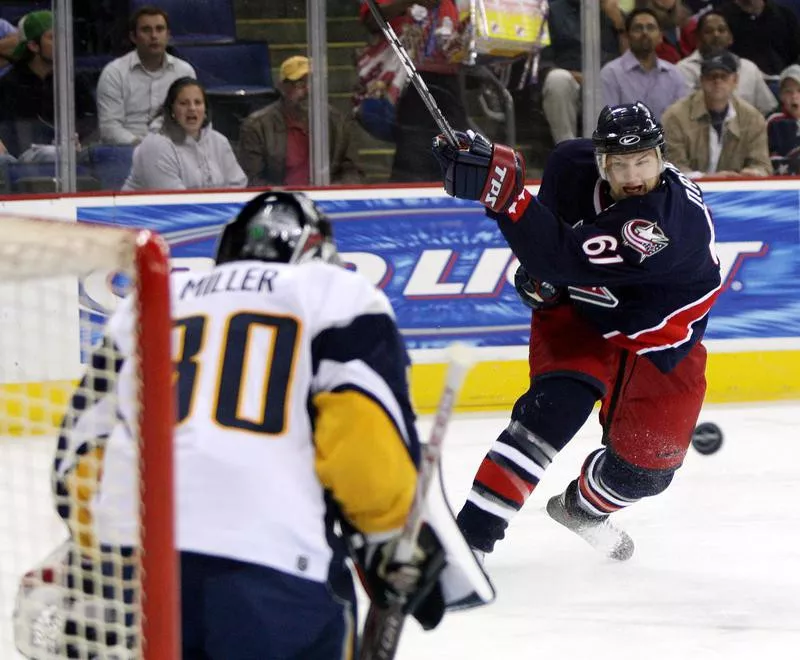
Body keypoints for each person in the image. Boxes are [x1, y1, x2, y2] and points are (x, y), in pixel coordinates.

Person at [12, 191, 493, 658]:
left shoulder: (149, 301)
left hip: (131, 577)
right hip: (272, 576)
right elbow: (363, 449)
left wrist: (106, 550)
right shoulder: (335, 293)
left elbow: (78, 460)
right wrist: (391, 539)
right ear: (317, 253)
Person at [431, 101, 721, 562]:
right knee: (552, 413)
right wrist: (538, 281)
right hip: (584, 312)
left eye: (643, 160)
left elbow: (559, 254)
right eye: (619, 163)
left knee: (646, 470)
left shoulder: (664, 224)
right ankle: (469, 544)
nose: (631, 175)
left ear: (662, 159)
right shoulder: (571, 165)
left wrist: (505, 197)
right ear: (600, 160)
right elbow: (543, 249)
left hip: (659, 337)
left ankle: (583, 509)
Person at [359, 0, 469, 183]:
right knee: (412, 162)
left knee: (457, 163)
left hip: (450, 84)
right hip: (408, 81)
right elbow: (371, 19)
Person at [237, 55, 365, 186]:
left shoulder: (338, 122)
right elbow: (252, 180)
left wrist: (333, 192)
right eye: (300, 84)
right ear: (282, 88)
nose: (308, 90)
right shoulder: (257, 127)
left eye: (312, 83)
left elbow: (353, 170)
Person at [0, 10, 96, 160]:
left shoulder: (75, 81)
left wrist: (80, 140)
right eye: (52, 37)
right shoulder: (7, 85)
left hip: (73, 157)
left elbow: (91, 122)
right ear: (33, 46)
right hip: (26, 163)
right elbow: (10, 135)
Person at [122, 77, 247, 191]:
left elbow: (238, 185)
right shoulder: (156, 145)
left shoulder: (219, 141)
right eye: (183, 103)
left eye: (197, 102)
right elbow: (174, 201)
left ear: (205, 110)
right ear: (172, 110)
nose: (192, 108)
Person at [96, 5, 196, 146]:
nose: (154, 36)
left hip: (173, 150)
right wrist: (145, 148)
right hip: (126, 151)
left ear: (168, 35)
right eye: (146, 30)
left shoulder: (184, 72)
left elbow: (192, 119)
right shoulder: (114, 73)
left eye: (159, 29)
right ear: (133, 37)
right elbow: (109, 129)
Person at [662, 49, 771, 177]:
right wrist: (707, 179)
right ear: (701, 80)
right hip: (687, 193)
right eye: (711, 76)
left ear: (735, 80)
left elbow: (762, 165)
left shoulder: (753, 118)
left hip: (736, 192)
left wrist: (754, 173)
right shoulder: (675, 116)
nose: (717, 81)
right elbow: (672, 168)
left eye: (723, 76)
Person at [541, 0, 627, 144]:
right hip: (571, 80)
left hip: (607, 83)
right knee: (557, 79)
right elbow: (544, 63)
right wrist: (582, 77)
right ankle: (567, 148)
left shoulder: (614, 13)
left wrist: (620, 26)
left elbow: (631, 63)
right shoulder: (552, 10)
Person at [677, 10, 777, 115]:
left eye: (721, 30)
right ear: (698, 39)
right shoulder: (683, 70)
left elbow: (767, 110)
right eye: (708, 31)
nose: (716, 35)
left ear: (730, 38)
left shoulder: (748, 68)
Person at [601, 9, 689, 121]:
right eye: (638, 28)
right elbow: (607, 125)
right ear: (627, 36)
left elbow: (681, 123)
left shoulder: (674, 75)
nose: (645, 33)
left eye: (651, 28)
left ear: (660, 36)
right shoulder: (611, 74)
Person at [766, 64, 800, 174]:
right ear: (781, 96)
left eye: (799, 90)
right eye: (788, 91)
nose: (794, 96)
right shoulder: (774, 122)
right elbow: (767, 160)